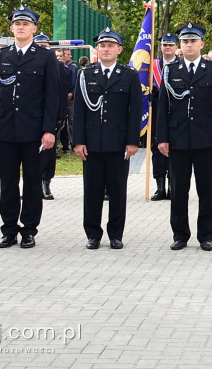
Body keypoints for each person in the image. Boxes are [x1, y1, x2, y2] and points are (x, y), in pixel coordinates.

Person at [0, 5, 60, 249]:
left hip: (34, 131)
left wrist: (49, 130)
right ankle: (8, 230)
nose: (20, 27)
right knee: (7, 183)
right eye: (17, 24)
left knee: (31, 181)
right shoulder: (1, 55)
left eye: (26, 24)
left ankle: (28, 229)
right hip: (5, 130)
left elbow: (52, 96)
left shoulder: (45, 56)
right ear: (11, 28)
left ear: (34, 28)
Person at [156, 22, 212, 251]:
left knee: (207, 190)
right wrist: (162, 138)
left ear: (202, 44)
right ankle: (180, 235)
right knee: (178, 190)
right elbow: (162, 108)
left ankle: (206, 235)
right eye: (185, 41)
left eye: (193, 41)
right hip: (177, 140)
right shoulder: (170, 70)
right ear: (181, 45)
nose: (189, 45)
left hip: (206, 140)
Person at [73, 29, 142, 249]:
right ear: (97, 50)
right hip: (92, 143)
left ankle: (116, 234)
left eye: (110, 45)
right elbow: (78, 110)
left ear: (119, 50)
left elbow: (135, 111)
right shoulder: (85, 74)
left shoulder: (129, 75)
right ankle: (93, 234)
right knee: (92, 191)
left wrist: (133, 141)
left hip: (118, 142)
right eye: (102, 45)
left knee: (117, 191)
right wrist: (78, 141)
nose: (106, 49)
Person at [34, 32, 71, 200]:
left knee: (48, 154)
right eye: (38, 45)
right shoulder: (27, 62)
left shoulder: (57, 66)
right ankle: (31, 185)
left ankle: (45, 184)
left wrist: (61, 117)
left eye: (44, 45)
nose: (42, 48)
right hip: (30, 118)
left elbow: (62, 92)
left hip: (50, 118)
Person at [149, 33, 180, 201]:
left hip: (175, 111)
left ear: (176, 47)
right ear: (161, 47)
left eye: (171, 45)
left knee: (175, 147)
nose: (167, 47)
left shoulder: (181, 65)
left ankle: (172, 185)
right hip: (156, 111)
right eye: (165, 45)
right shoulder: (152, 65)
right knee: (157, 146)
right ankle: (160, 186)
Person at [57, 49, 79, 153]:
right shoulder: (54, 67)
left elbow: (76, 82)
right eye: (68, 55)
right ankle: (58, 145)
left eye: (61, 56)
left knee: (72, 120)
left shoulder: (73, 69)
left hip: (70, 99)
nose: (70, 56)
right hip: (59, 99)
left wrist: (72, 93)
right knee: (59, 122)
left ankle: (73, 142)